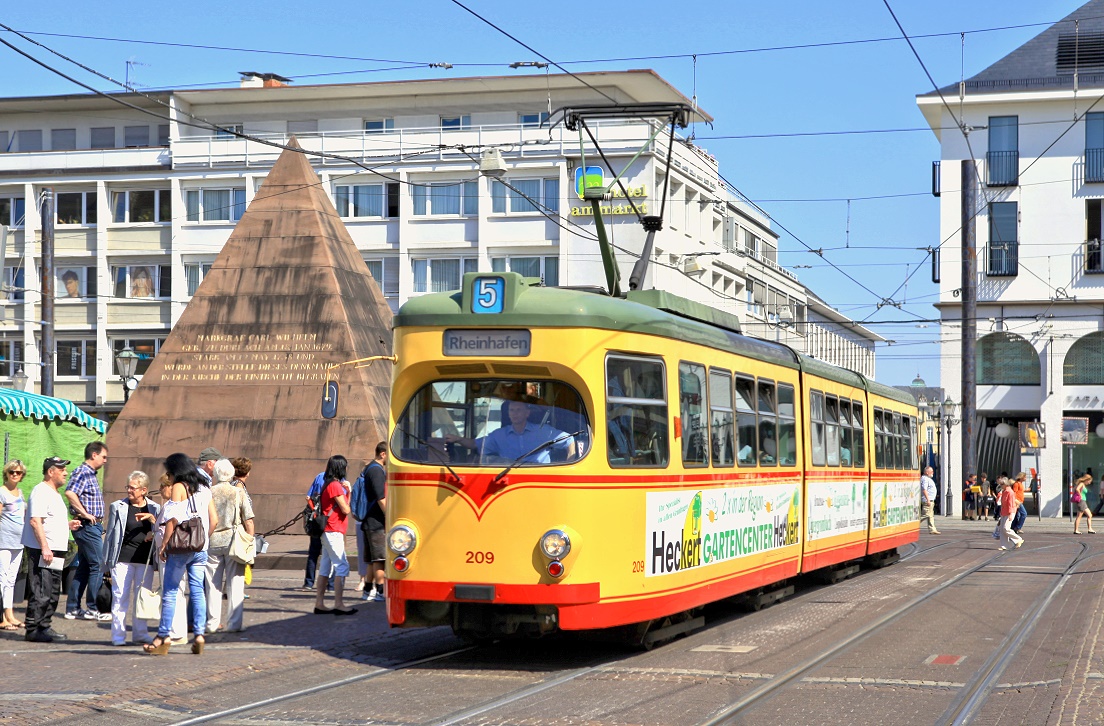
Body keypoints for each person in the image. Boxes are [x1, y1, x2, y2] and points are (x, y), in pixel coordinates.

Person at [146, 453, 217, 656]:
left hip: (180, 549)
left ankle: (163, 637)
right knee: (197, 590)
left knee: (170, 591)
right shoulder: (204, 487)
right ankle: (200, 635)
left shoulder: (179, 487)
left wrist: (165, 545)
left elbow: (172, 520)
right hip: (200, 548)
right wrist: (202, 539)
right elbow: (214, 520)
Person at [22, 457, 82, 642]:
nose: (65, 473)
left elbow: (48, 521)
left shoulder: (53, 493)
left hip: (54, 551)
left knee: (52, 589)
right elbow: (35, 521)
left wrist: (67, 525)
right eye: (61, 469)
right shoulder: (41, 492)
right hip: (44, 552)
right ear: (50, 472)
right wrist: (45, 547)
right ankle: (34, 629)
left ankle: (44, 626)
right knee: (42, 589)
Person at [103, 471, 159, 646]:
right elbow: (111, 534)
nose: (129, 491)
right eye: (128, 487)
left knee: (142, 597)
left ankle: (140, 633)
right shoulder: (117, 506)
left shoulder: (154, 508)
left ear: (144, 490)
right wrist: (106, 562)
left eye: (133, 488)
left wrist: (153, 523)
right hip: (122, 558)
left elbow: (161, 530)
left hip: (145, 559)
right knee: (120, 596)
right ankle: (118, 636)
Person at [205, 458, 254, 633]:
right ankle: (234, 623)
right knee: (236, 582)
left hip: (212, 540)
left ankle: (211, 622)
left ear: (216, 474)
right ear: (231, 473)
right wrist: (249, 541)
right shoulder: (237, 492)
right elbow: (248, 520)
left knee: (212, 583)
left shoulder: (208, 492)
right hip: (233, 540)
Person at [64, 441, 111, 622]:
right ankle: (93, 607)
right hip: (86, 525)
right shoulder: (83, 471)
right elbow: (70, 493)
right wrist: (85, 513)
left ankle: (73, 608)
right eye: (103, 456)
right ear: (94, 455)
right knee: (97, 564)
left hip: (91, 525)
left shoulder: (89, 474)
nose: (105, 460)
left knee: (84, 567)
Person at [446, 400, 574, 464]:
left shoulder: (543, 432)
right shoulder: (499, 435)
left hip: (538, 479)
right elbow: (475, 444)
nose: (515, 414)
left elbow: (569, 440)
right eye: (512, 410)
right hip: (509, 479)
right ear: (508, 414)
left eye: (518, 410)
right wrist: (458, 439)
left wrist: (570, 460)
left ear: (527, 413)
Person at [313, 455, 356, 616]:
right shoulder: (336, 486)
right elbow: (346, 509)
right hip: (334, 530)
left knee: (325, 567)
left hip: (328, 531)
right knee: (342, 565)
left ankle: (320, 603)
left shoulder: (326, 484)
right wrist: (349, 491)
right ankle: (339, 603)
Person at [0, 460, 27, 630]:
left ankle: (10, 614)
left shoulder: (20, 492)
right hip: (4, 540)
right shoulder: (1, 492)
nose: (15, 475)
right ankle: (3, 617)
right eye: (12, 472)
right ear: (7, 473)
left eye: (18, 472)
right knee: (2, 578)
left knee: (11, 580)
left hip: (19, 542)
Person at [362, 443, 388, 603]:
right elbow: (380, 498)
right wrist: (390, 516)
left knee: (373, 559)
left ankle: (366, 590)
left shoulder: (370, 468)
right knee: (380, 559)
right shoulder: (377, 471)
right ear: (383, 454)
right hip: (376, 522)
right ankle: (380, 591)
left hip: (369, 521)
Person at [301, 470, 326, 591]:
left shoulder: (320, 476)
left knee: (313, 553)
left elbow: (308, 497)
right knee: (330, 555)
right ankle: (330, 585)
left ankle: (308, 583)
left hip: (316, 521)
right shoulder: (340, 481)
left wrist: (315, 511)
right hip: (330, 522)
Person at [996, 478, 1024, 550]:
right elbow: (1001, 503)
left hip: (1010, 512)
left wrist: (1011, 514)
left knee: (1006, 528)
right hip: (1004, 512)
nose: (1001, 486)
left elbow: (1011, 504)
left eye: (1002, 484)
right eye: (1000, 484)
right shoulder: (1004, 492)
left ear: (1006, 484)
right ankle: (1004, 546)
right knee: (1002, 529)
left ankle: (1018, 539)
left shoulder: (1010, 492)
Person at [919, 466, 940, 534]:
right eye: (931, 471)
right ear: (927, 472)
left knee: (930, 515)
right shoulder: (925, 479)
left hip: (930, 500)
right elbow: (924, 489)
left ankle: (932, 529)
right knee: (926, 515)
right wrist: (928, 499)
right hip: (927, 500)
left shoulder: (927, 478)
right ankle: (913, 524)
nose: (933, 473)